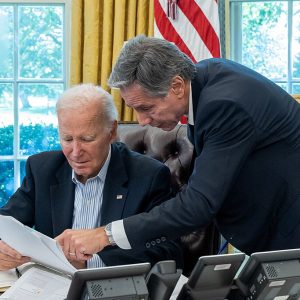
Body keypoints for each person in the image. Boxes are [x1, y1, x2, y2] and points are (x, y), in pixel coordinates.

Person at [55, 35, 300, 260]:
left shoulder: (224, 105)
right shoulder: (206, 79)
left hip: (289, 233)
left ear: (177, 86)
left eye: (146, 108)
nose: (142, 121)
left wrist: (105, 235)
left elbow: (199, 204)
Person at [0, 83, 183, 271]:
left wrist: (91, 262)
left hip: (112, 288)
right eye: (67, 139)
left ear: (111, 132)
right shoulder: (42, 169)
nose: (76, 152)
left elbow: (168, 252)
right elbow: (5, 222)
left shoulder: (149, 176)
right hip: (52, 285)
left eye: (87, 139)